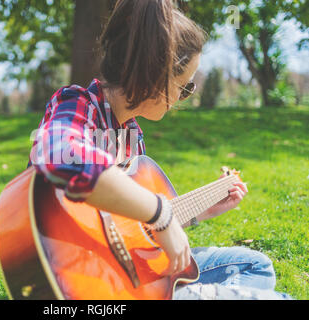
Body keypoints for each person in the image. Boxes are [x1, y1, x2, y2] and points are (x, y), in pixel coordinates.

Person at [28, 0, 292, 300]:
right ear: (153, 75)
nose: (185, 96)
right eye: (185, 86)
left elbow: (131, 228)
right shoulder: (77, 105)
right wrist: (161, 214)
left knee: (256, 267)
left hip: (129, 271)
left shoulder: (132, 135)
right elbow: (60, 157)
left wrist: (197, 212)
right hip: (85, 282)